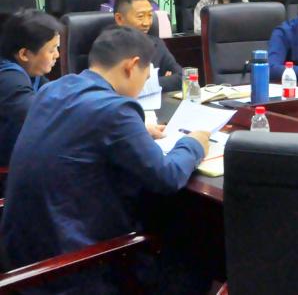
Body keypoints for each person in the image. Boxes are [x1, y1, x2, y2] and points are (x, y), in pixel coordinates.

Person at [0, 26, 210, 293]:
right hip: (72, 270)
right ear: (131, 66)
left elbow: (80, 131)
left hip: (22, 259)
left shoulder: (54, 88)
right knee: (195, 259)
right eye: (146, 77)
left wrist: (136, 131)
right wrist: (194, 144)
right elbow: (167, 176)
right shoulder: (117, 109)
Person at [0, 10, 61, 166]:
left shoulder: (31, 72)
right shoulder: (9, 79)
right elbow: (41, 114)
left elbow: (58, 94)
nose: (57, 55)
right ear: (24, 54)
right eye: (51, 50)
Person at [113, 0, 183, 92]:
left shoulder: (157, 44)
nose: (146, 23)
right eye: (140, 16)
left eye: (150, 15)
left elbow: (181, 78)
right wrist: (163, 80)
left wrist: (153, 82)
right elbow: (116, 88)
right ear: (119, 19)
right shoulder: (108, 48)